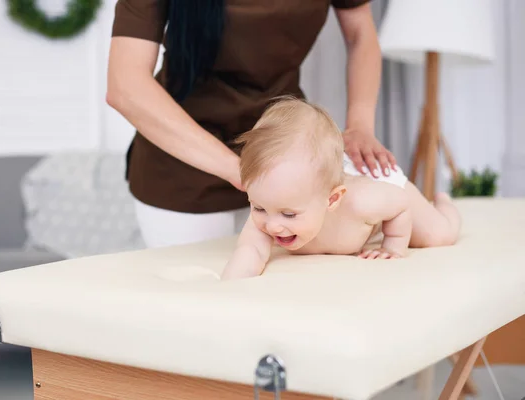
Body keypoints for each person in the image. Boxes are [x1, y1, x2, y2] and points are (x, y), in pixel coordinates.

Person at [106, 0, 397, 249]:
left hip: (285, 158)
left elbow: (360, 31)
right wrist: (243, 173)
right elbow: (125, 85)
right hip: (185, 164)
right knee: (200, 305)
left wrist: (359, 125)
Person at [221, 97, 461, 280]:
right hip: (326, 180)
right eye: (258, 207)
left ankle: (444, 202)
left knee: (439, 235)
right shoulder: (272, 207)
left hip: (375, 177)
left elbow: (399, 204)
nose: (271, 225)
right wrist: (232, 283)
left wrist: (393, 246)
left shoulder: (364, 200)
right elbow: (250, 250)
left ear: (332, 199)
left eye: (289, 214)